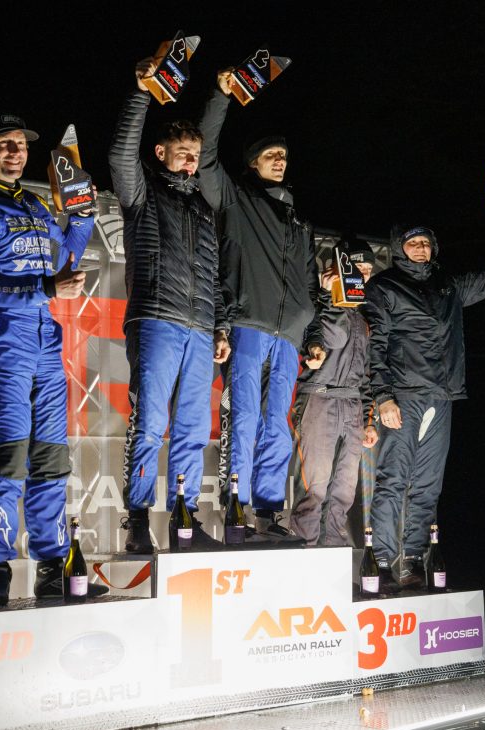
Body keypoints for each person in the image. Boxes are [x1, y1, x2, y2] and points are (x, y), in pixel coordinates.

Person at [0, 113, 99, 605]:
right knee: (9, 455)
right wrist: (46, 287)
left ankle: (51, 565)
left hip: (45, 341)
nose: (15, 151)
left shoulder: (33, 202)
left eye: (21, 145)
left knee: (50, 457)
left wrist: (82, 210)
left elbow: (70, 248)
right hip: (1, 340)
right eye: (4, 143)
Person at [109, 58, 231, 553]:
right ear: (160, 153)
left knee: (193, 429)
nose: (190, 163)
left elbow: (214, 276)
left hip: (200, 330)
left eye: (195, 156)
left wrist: (221, 327)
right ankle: (137, 521)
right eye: (182, 154)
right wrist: (141, 92)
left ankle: (184, 522)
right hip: (156, 319)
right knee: (150, 423)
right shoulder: (141, 192)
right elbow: (121, 152)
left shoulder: (204, 209)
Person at [361, 200, 485, 586]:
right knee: (394, 478)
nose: (421, 249)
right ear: (399, 248)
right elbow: (375, 344)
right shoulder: (385, 286)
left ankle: (412, 560)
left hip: (442, 397)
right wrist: (383, 396)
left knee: (429, 483)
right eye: (413, 243)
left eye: (426, 243)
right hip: (404, 395)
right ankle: (382, 561)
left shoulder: (448, 286)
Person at [197, 71, 320, 543]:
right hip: (248, 323)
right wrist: (221, 96)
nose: (280, 160)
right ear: (252, 163)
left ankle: (267, 512)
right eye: (271, 155)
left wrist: (311, 336)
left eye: (283, 155)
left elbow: (309, 283)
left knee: (278, 424)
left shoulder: (298, 221)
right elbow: (206, 157)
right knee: (244, 416)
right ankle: (236, 509)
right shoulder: (237, 200)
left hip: (288, 337)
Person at [290, 239, 379, 546]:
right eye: (357, 267)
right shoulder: (315, 301)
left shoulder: (363, 319)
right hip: (321, 396)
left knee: (343, 489)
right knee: (315, 487)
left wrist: (368, 420)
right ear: (340, 267)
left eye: (368, 269)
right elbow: (332, 338)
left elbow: (365, 375)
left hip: (351, 405)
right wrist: (330, 297)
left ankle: (333, 553)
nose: (363, 274)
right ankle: (305, 550)